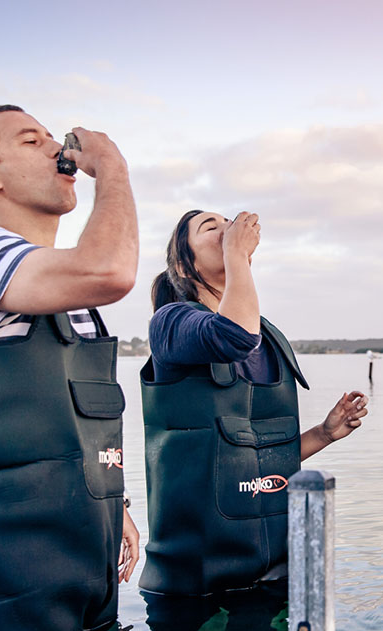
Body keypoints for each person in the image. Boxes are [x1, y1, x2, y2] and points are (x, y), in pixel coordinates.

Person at [0, 104, 140, 631]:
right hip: (7, 570)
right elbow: (109, 270)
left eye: (52, 138)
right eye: (30, 140)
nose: (54, 147)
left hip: (86, 557)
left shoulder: (74, 302)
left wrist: (117, 505)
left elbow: (80, 419)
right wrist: (112, 167)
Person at [138, 210, 368, 595]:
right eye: (210, 228)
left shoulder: (267, 337)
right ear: (183, 263)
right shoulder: (172, 322)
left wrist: (324, 434)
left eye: (227, 223)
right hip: (196, 582)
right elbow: (232, 335)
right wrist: (237, 257)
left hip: (274, 572)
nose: (226, 229)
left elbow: (258, 462)